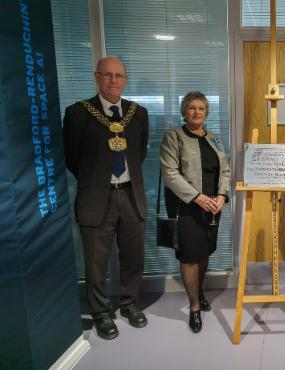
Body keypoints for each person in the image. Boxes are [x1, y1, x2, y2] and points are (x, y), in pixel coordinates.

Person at [63, 57, 149, 340]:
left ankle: (130, 304)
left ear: (125, 79)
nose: (113, 81)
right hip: (96, 198)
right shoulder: (78, 114)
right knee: (96, 262)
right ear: (97, 77)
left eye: (119, 76)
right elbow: (72, 158)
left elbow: (140, 153)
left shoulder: (139, 114)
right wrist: (98, 181)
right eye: (108, 75)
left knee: (133, 257)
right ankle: (100, 312)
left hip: (131, 195)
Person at [160, 91, 231, 333]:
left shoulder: (215, 139)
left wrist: (221, 196)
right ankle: (194, 308)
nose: (197, 112)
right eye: (192, 108)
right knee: (190, 256)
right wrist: (198, 198)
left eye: (201, 108)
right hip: (187, 207)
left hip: (213, 208)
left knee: (204, 251)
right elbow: (170, 174)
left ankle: (199, 293)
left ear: (207, 112)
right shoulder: (174, 137)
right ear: (184, 111)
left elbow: (225, 171)